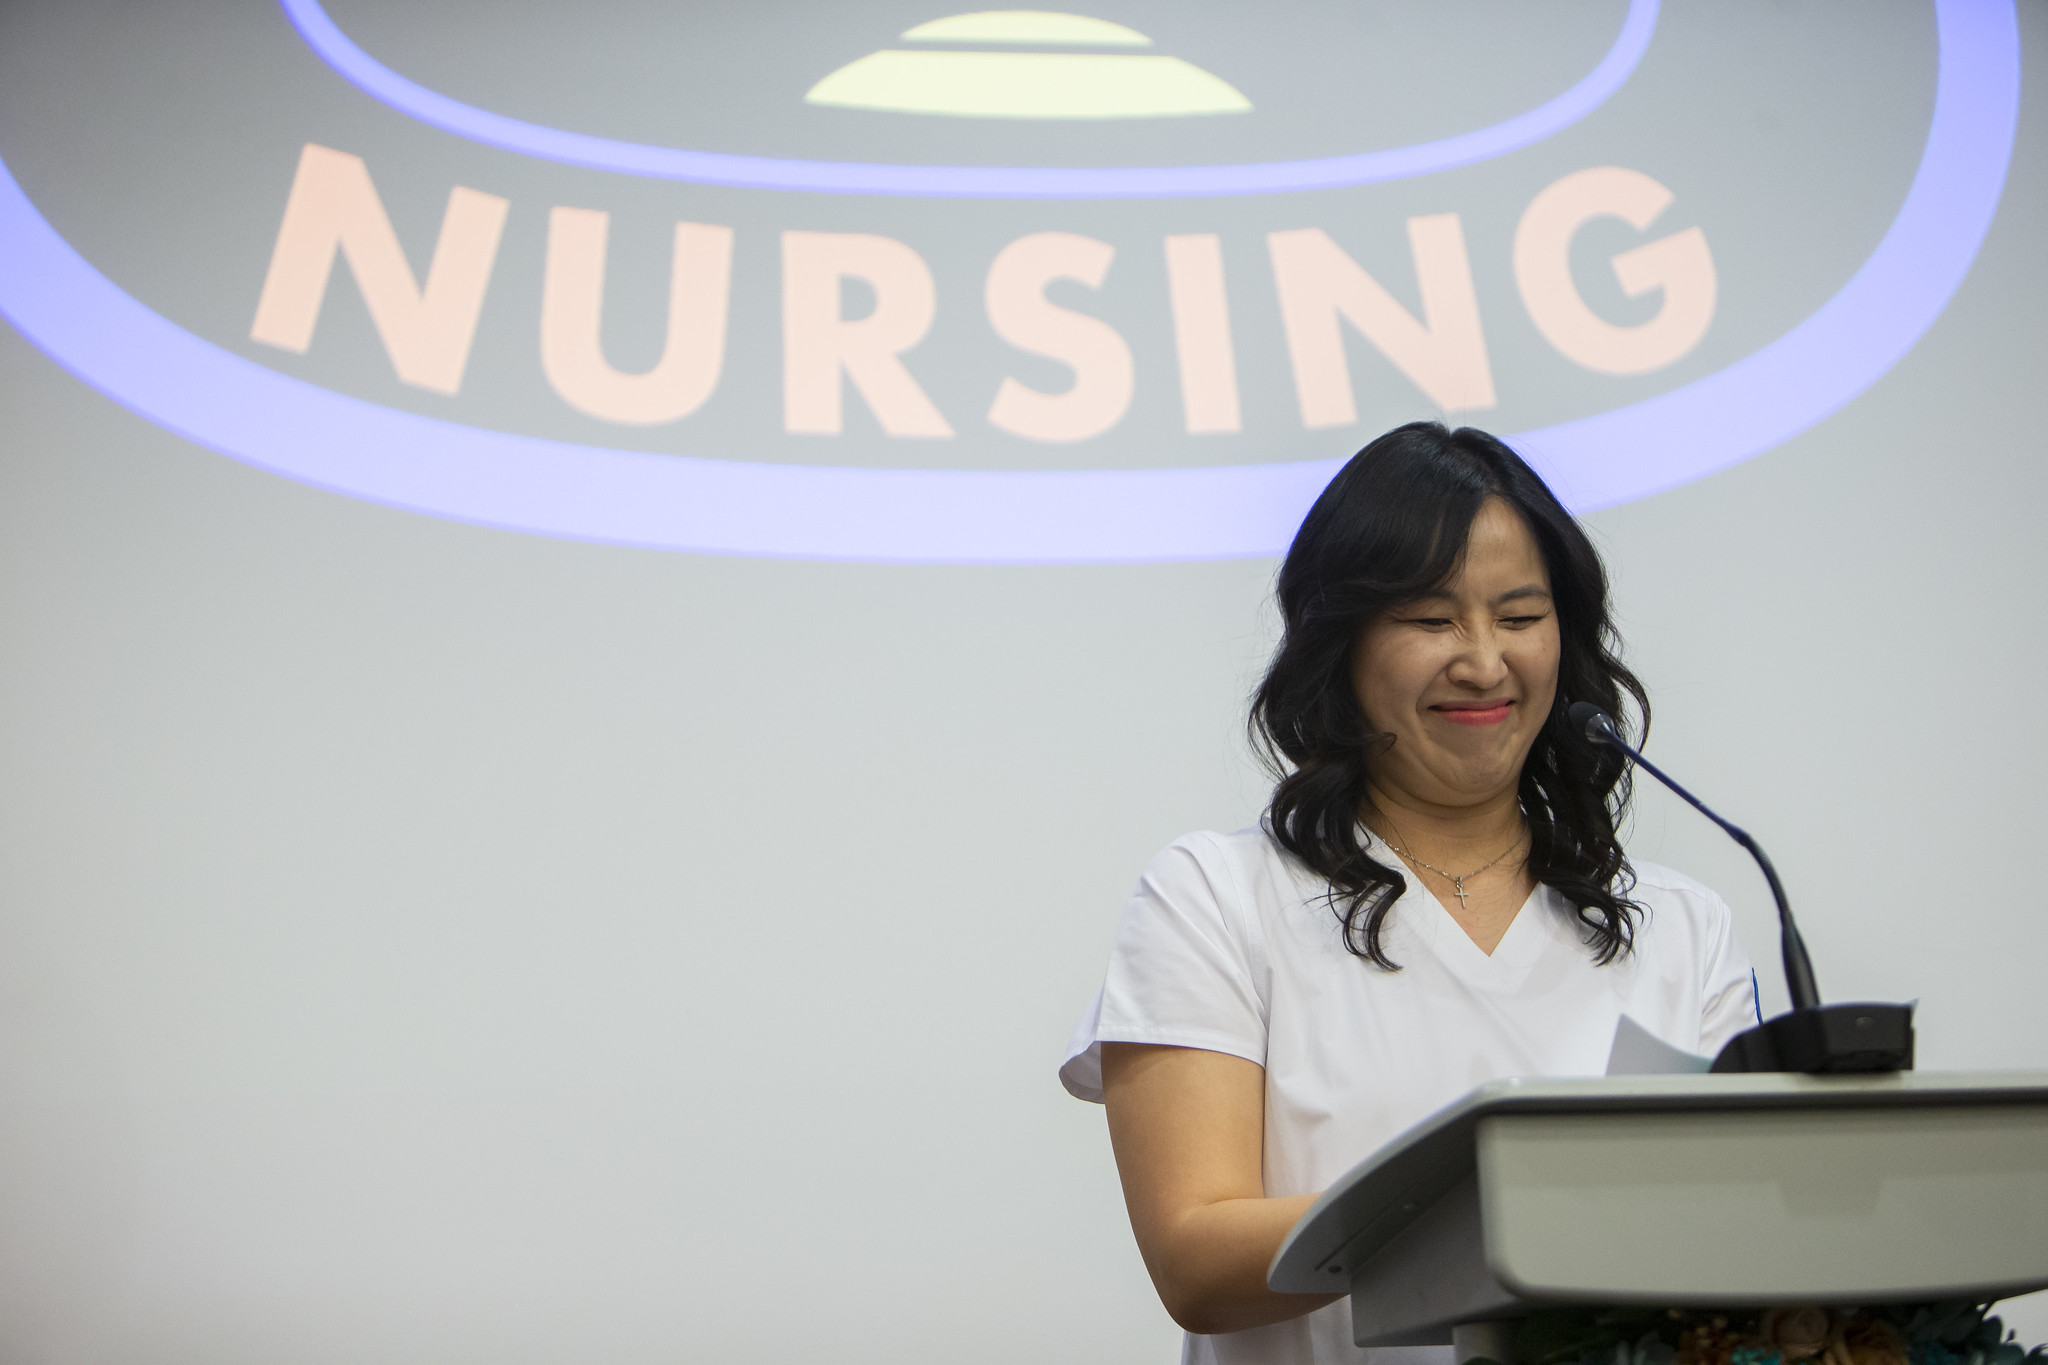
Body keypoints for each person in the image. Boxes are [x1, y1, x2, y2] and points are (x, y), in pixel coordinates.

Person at [1059, 422, 1761, 1365]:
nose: (1482, 661)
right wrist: (1504, 1214)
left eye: (1519, 617)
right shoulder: (1216, 897)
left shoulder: (1683, 926)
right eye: (1432, 621)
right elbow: (1196, 1259)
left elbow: (1741, 1237)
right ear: (1337, 644)